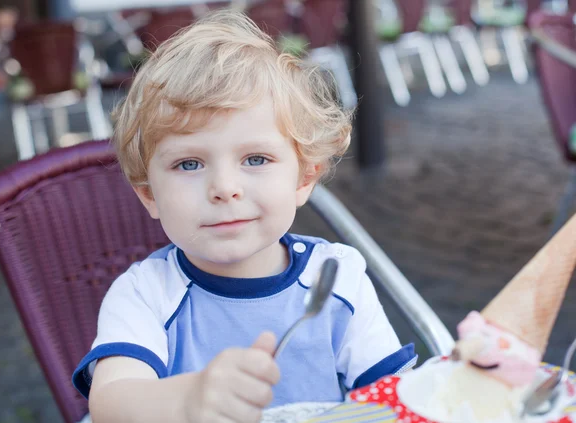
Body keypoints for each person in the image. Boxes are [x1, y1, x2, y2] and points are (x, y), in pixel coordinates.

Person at [72, 10, 416, 423]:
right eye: (188, 164)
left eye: (255, 158)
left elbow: (393, 398)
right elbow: (111, 405)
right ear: (149, 196)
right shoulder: (146, 294)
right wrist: (187, 400)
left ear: (304, 179)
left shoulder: (335, 278)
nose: (224, 186)